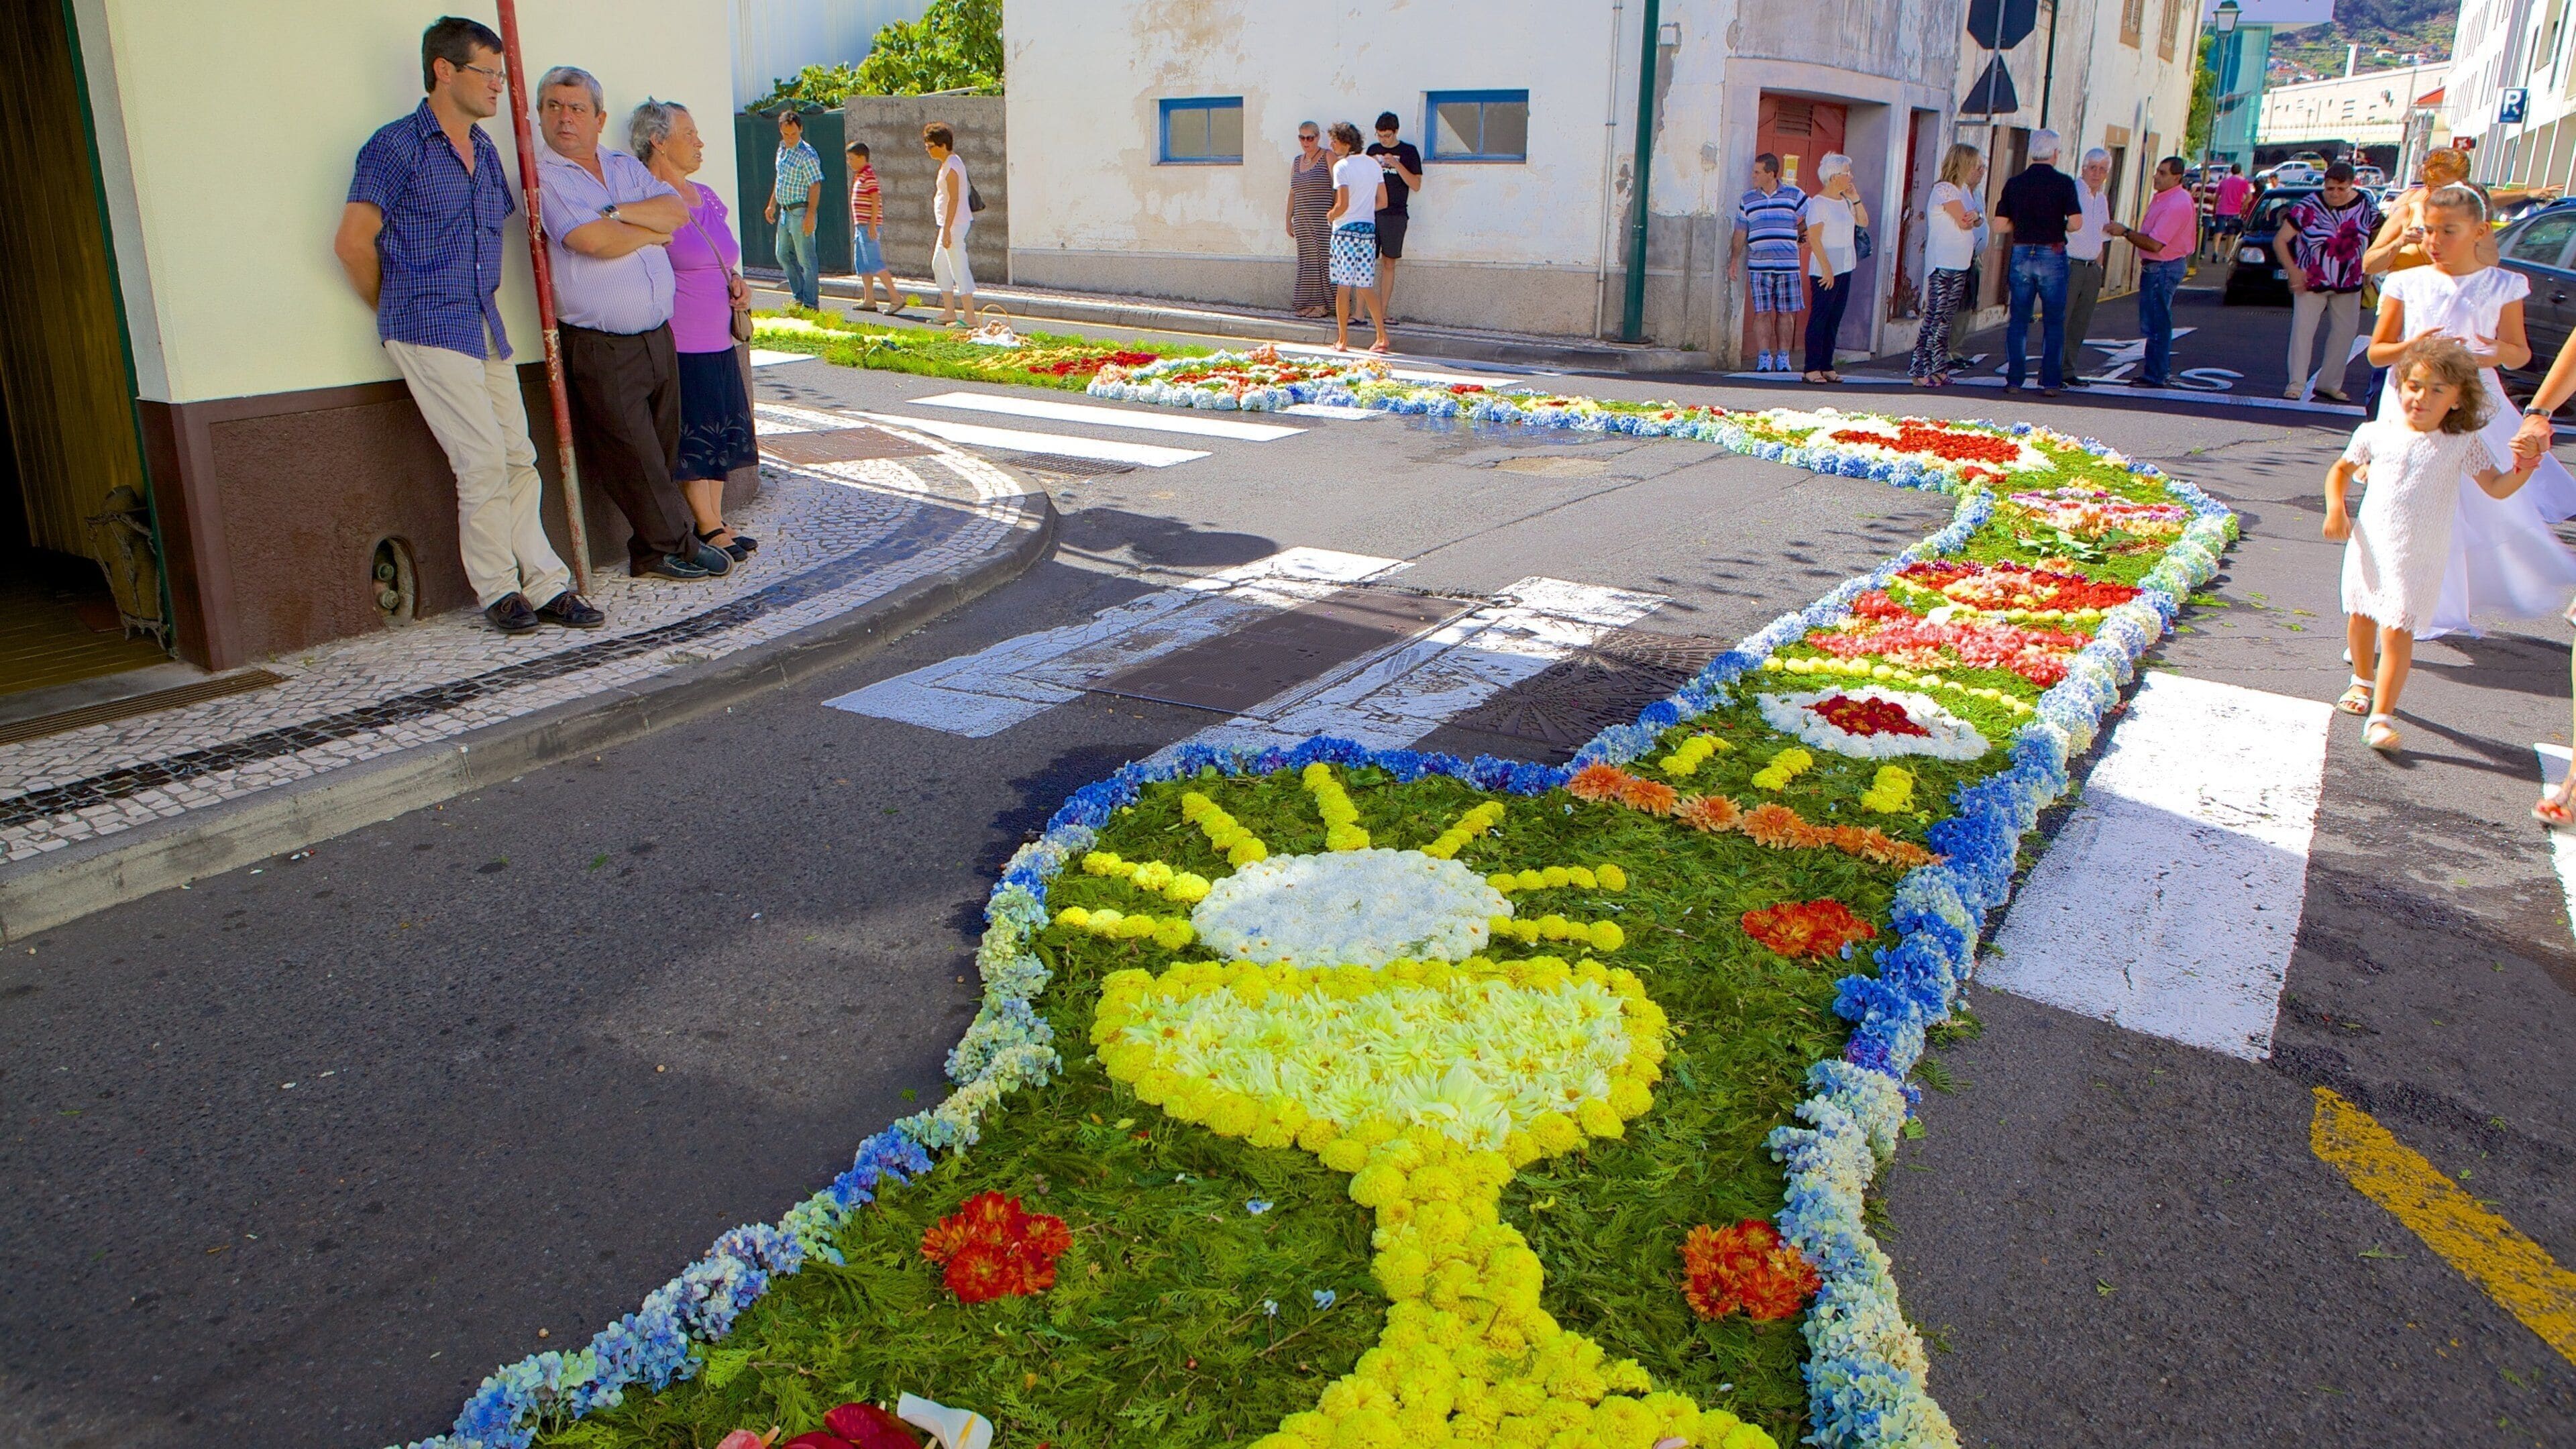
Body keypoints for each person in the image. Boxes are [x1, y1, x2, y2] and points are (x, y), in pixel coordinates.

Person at [334, 17, 599, 636]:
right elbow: (352, 244)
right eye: (488, 73)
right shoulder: (394, 146)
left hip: (483, 324)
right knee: (480, 460)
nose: (498, 87)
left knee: (517, 456)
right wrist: (399, 308)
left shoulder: (482, 151)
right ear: (443, 70)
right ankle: (498, 589)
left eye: (502, 77)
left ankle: (546, 583)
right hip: (427, 325)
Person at [534, 65, 732, 582]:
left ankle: (649, 553)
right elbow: (590, 243)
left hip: (655, 335)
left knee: (660, 449)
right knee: (634, 454)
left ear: (599, 118)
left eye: (576, 108)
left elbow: (674, 213)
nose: (564, 118)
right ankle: (680, 545)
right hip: (602, 344)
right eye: (553, 106)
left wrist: (615, 213)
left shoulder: (622, 167)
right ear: (539, 115)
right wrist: (645, 230)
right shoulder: (547, 177)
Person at [2364, 182, 2576, 637]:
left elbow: (2520, 356)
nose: (2435, 242)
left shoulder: (2504, 285)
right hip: (2410, 403)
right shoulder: (2407, 282)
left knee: (2466, 502)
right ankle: (2392, 607)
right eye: (2428, 231)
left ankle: (2438, 605)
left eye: (2449, 231)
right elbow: (2378, 353)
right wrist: (2413, 346)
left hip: (2474, 402)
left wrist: (2491, 350)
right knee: (2403, 502)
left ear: (2480, 231)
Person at [2324, 337, 2540, 753]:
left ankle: (2382, 716)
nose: (2422, 397)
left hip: (2419, 553)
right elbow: (2340, 469)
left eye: (2438, 390)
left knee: (2398, 628)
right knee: (2361, 615)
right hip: (2371, 543)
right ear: (2401, 386)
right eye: (2415, 386)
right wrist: (2337, 508)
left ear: (2458, 401)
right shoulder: (2374, 433)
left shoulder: (2462, 444)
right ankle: (2361, 681)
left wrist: (2524, 468)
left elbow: (2496, 486)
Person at [636, 99, 757, 564]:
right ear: (658, 141)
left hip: (719, 338)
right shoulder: (650, 201)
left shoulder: (706, 197)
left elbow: (722, 255)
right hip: (681, 341)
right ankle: (705, 526)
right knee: (695, 435)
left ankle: (718, 518)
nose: (700, 142)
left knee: (721, 432)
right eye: (689, 134)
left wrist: (739, 283)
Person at [2278, 162, 2381, 402]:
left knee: (2345, 334)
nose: (2335, 194)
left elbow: (2380, 232)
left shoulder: (2365, 205)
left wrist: (2371, 265)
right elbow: (2281, 240)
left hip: (2350, 279)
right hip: (2312, 278)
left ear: (2351, 185)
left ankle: (2330, 383)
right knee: (2303, 332)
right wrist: (2293, 271)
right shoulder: (2309, 205)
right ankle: (2296, 383)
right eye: (2330, 188)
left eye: (2340, 189)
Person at [1992, 129, 2083, 394]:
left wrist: (2022, 224)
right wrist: (2059, 224)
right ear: (2055, 153)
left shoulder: (2015, 183)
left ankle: (2014, 380)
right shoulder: (2064, 183)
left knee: (2019, 319)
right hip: (2052, 252)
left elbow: (1999, 224)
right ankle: (2051, 382)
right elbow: (2076, 223)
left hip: (2022, 250)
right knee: (2054, 319)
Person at [1911, 143, 1985, 387]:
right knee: (1935, 316)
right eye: (1974, 163)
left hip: (1960, 262)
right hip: (1943, 262)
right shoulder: (1945, 190)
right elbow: (1966, 221)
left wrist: (1976, 217)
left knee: (1946, 319)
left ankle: (1938, 367)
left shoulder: (1964, 190)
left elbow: (1976, 217)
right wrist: (1974, 217)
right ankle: (1919, 368)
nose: (1978, 168)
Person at [1733, 153, 1807, 373]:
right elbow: (1740, 232)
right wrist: (1734, 260)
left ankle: (1783, 357)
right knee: (1761, 312)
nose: (1753, 176)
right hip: (1759, 266)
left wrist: (1797, 232)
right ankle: (1764, 357)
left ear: (1771, 174)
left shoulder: (1794, 195)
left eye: (1757, 172)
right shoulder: (1748, 199)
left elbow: (1815, 217)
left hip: (1788, 265)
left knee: (1786, 312)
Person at [1798, 153, 1867, 384]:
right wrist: (1827, 269)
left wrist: (1856, 199)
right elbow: (1815, 239)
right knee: (1820, 316)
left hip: (1846, 265)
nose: (1851, 177)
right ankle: (1812, 367)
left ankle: (1827, 365)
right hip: (1825, 269)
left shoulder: (1846, 201)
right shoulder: (1818, 203)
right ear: (1834, 176)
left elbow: (1864, 222)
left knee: (1834, 318)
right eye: (1848, 173)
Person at [2129, 157, 2195, 389]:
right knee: (2157, 320)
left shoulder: (2176, 203)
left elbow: (2156, 244)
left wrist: (2126, 233)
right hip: (2160, 266)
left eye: (2163, 173)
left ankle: (2156, 374)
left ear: (2176, 177)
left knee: (2157, 322)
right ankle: (2155, 371)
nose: (2156, 176)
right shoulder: (2168, 198)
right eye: (2157, 171)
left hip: (2163, 267)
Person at [1325, 121, 1390, 352]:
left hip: (1345, 231)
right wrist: (1364, 209)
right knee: (1365, 285)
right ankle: (1381, 337)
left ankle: (1342, 340)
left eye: (1334, 139)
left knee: (1344, 285)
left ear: (1346, 142)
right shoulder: (1373, 164)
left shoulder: (1341, 167)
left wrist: (1331, 215)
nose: (1331, 144)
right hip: (1367, 230)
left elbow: (1342, 205)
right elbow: (1383, 202)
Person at [2061, 148, 2121, 386]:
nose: (2097, 174)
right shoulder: (2073, 192)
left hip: (2091, 267)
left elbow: (2102, 237)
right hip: (2070, 264)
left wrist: (2099, 268)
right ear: (2084, 168)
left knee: (2080, 321)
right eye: (2093, 168)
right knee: (2062, 321)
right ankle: (2052, 372)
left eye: (2102, 169)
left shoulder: (2102, 198)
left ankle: (2067, 370)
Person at [1366, 112, 1424, 316]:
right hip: (1372, 213)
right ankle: (1360, 312)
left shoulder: (1408, 152)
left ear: (1396, 131)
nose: (1383, 140)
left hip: (1395, 214)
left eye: (1387, 136)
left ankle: (1382, 312)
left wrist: (1397, 165)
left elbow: (1416, 185)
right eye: (1380, 136)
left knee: (1389, 262)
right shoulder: (1373, 151)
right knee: (1365, 262)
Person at [765, 109, 823, 309]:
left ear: (801, 129)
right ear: (781, 131)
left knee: (806, 259)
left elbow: (815, 185)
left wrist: (810, 214)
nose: (790, 138)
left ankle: (810, 303)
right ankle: (799, 296)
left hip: (801, 211)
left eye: (794, 134)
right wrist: (772, 204)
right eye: (786, 134)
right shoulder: (781, 150)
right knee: (782, 255)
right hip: (784, 211)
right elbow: (779, 178)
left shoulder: (807, 154)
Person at [923, 122, 976, 326]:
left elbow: (954, 200)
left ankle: (970, 317)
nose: (928, 150)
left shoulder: (952, 166)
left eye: (931, 146)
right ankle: (949, 312)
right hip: (949, 225)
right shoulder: (949, 163)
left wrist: (946, 230)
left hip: (954, 225)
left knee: (959, 267)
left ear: (942, 145)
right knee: (939, 264)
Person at [1286, 121, 1335, 318]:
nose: (1306, 142)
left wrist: (1336, 210)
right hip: (1303, 219)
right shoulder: (1297, 161)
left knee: (1324, 260)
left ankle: (1325, 305)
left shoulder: (1328, 156)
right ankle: (1308, 302)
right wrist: (1288, 218)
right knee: (1307, 261)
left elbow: (1338, 186)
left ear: (1317, 137)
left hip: (1323, 218)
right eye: (1302, 138)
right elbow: (1292, 192)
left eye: (1310, 138)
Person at [847, 141, 899, 315]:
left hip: (868, 227)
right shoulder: (860, 175)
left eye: (852, 159)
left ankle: (896, 297)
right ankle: (869, 299)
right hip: (860, 226)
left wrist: (873, 224)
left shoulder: (868, 175)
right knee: (862, 264)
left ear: (862, 158)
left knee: (874, 262)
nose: (850, 162)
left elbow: (876, 200)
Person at [2212, 164, 2253, 258]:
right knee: (2231, 234)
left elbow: (2217, 197)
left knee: (2218, 232)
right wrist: (2243, 205)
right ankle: (2226, 255)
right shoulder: (2243, 183)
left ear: (2231, 171)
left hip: (2222, 209)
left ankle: (2215, 251)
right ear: (2240, 171)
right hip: (2235, 210)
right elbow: (2249, 197)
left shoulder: (2224, 182)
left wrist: (2215, 208)